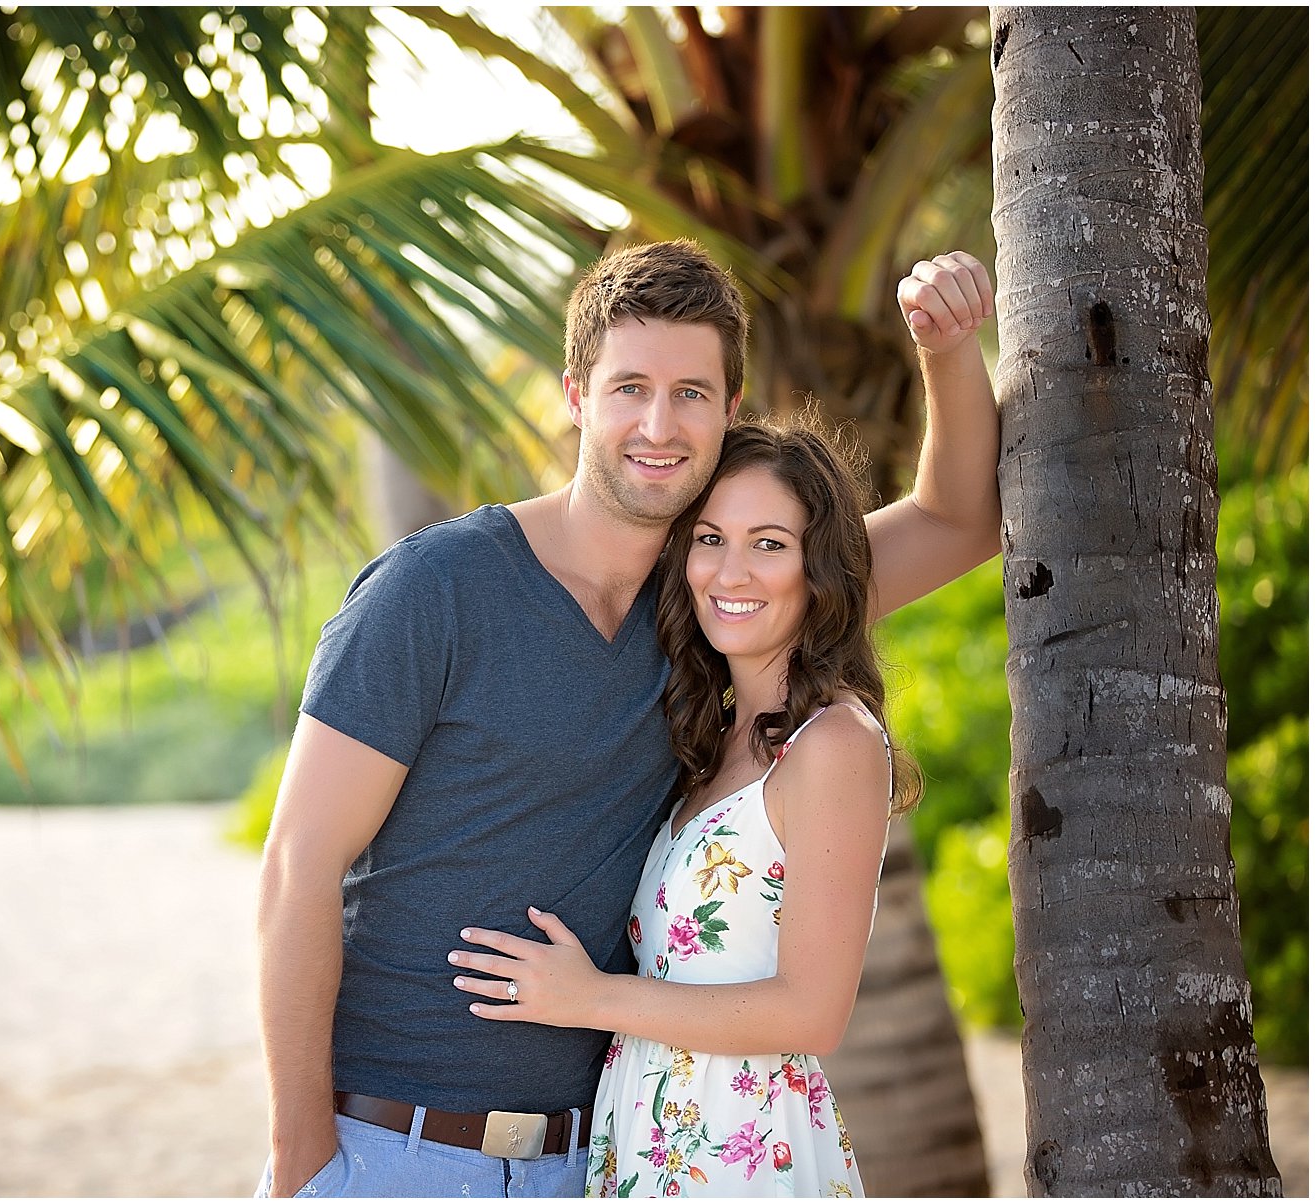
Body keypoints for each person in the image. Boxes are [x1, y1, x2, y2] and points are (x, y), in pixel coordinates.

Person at [256, 239, 998, 1198]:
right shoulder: (434, 590)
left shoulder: (723, 599)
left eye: (692, 392)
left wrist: (945, 345)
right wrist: (300, 1161)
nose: (659, 423)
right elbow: (295, 870)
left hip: (593, 1161)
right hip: (394, 1153)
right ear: (576, 395)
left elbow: (958, 523)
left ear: (731, 410)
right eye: (629, 387)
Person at [451, 411, 916, 1197]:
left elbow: (812, 1013)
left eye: (770, 543)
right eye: (710, 539)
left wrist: (589, 997)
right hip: (650, 1138)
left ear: (820, 568)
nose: (731, 573)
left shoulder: (833, 745)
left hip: (741, 1151)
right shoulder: (714, 739)